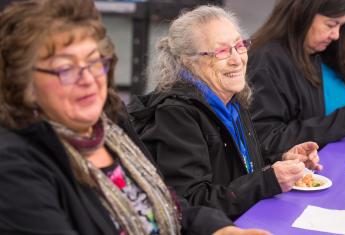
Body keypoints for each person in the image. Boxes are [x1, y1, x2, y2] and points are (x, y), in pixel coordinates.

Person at [0, 1, 271, 234]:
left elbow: (166, 200)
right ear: (24, 83)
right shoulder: (16, 167)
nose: (89, 80)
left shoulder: (110, 121)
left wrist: (216, 228)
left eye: (95, 62)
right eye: (66, 69)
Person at [128, 5, 322, 220]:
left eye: (239, 45)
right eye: (221, 52)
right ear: (187, 60)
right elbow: (191, 203)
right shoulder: (176, 115)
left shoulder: (230, 97)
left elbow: (236, 163)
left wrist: (283, 158)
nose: (237, 60)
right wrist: (268, 180)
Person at [247, 0, 345, 156]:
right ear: (303, 14)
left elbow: (318, 104)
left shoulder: (318, 52)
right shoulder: (266, 62)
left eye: (341, 26)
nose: (336, 35)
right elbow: (268, 139)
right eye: (330, 25)